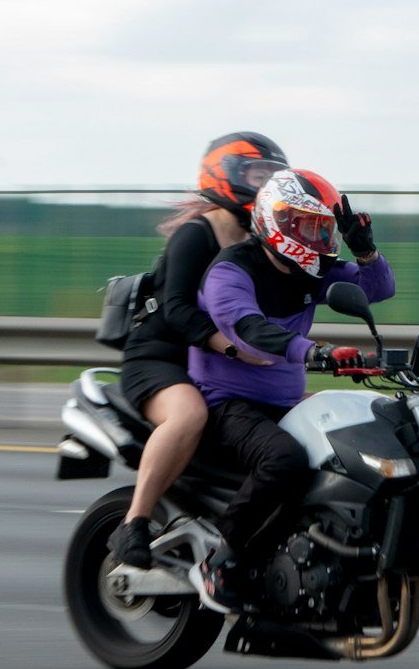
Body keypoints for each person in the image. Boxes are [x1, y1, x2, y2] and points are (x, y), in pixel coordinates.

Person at [188, 167, 396, 612]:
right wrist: (313, 352)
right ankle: (221, 555)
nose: (319, 239)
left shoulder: (311, 269)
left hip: (282, 404)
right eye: (309, 226)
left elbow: (379, 288)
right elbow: (249, 330)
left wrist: (364, 249)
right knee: (284, 458)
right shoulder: (231, 271)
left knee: (351, 452)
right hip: (229, 403)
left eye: (324, 228)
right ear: (276, 220)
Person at [107, 132, 289, 569]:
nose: (265, 185)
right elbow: (177, 311)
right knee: (189, 414)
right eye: (256, 174)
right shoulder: (196, 234)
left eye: (272, 178)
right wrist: (232, 349)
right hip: (161, 359)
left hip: (212, 363)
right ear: (224, 176)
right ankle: (134, 522)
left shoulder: (260, 244)